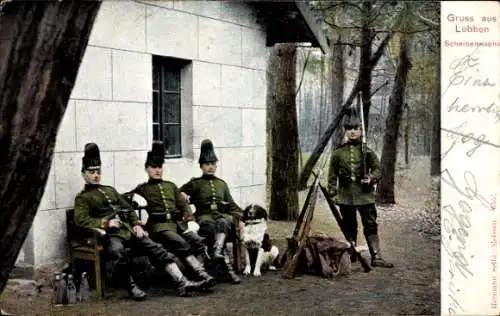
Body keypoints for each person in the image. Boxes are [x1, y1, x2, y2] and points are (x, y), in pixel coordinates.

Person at [73, 143, 206, 299]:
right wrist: (105, 223)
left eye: (98, 172)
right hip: (109, 235)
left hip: (128, 230)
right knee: (117, 252)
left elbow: (128, 208)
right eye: (91, 172)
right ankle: (131, 287)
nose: (96, 175)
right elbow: (81, 219)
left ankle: (182, 281)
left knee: (154, 247)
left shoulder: (110, 190)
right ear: (83, 174)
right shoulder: (82, 198)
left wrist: (136, 224)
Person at [125, 141, 215, 289]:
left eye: (159, 167)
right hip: (158, 227)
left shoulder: (171, 186)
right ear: (147, 169)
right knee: (179, 241)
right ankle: (202, 275)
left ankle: (199, 275)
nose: (157, 170)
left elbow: (183, 205)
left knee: (197, 240)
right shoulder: (143, 188)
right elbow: (123, 201)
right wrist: (134, 199)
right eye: (153, 167)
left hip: (177, 224)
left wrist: (190, 219)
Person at [328, 109, 394, 268]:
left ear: (361, 130)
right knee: (349, 226)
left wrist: (371, 178)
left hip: (365, 196)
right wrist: (333, 195)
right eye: (349, 129)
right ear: (345, 131)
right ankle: (352, 254)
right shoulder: (338, 154)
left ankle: (376, 256)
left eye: (355, 128)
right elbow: (332, 177)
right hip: (346, 196)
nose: (352, 132)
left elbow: (378, 170)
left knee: (370, 224)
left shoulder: (367, 152)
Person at [180, 139, 243, 284]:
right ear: (201, 166)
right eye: (207, 164)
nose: (211, 167)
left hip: (221, 217)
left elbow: (232, 205)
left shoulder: (222, 184)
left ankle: (216, 253)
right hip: (204, 217)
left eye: (213, 164)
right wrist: (182, 195)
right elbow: (177, 193)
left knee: (222, 222)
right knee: (212, 225)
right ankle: (227, 269)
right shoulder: (195, 183)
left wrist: (242, 219)